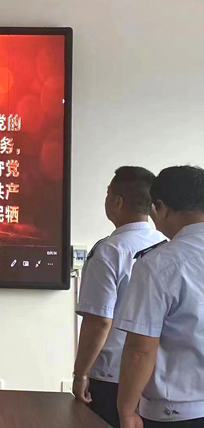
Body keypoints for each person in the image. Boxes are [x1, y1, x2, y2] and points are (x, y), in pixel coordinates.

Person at [73, 167, 167, 427]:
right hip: (154, 376)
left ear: (116, 201)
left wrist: (80, 374)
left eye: (107, 194)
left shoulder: (109, 251)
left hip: (111, 377)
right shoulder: (166, 245)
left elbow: (100, 321)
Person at [116, 166, 204, 428]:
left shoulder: (157, 263)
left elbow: (140, 349)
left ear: (161, 208)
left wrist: (126, 410)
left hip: (177, 412)